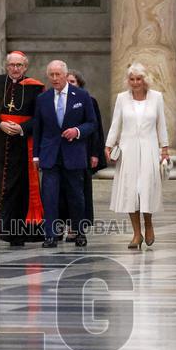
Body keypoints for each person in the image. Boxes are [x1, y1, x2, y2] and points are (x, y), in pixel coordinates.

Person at [0, 51, 46, 245]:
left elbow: (40, 118)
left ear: (26, 67)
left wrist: (22, 128)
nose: (15, 69)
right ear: (6, 66)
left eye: (19, 65)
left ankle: (14, 233)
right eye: (12, 65)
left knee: (18, 189)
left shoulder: (35, 88)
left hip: (21, 145)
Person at [32, 60, 97, 248]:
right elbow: (38, 129)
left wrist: (77, 131)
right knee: (50, 196)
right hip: (50, 155)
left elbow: (92, 123)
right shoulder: (42, 99)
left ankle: (79, 232)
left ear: (65, 74)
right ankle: (50, 235)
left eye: (57, 74)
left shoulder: (82, 96)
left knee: (76, 195)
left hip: (74, 154)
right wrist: (36, 155)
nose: (54, 78)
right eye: (51, 75)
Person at [105, 63, 169, 249]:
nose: (135, 82)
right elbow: (116, 123)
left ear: (144, 79)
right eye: (132, 79)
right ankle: (136, 233)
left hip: (149, 149)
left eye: (138, 79)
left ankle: (149, 225)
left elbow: (161, 124)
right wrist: (108, 145)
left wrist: (164, 148)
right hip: (128, 149)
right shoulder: (122, 98)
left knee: (145, 188)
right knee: (131, 190)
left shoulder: (156, 97)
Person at [61, 69, 106, 243]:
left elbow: (95, 129)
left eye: (73, 82)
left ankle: (76, 227)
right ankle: (60, 226)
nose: (69, 84)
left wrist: (95, 153)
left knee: (80, 191)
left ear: (79, 84)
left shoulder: (88, 100)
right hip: (62, 153)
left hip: (82, 152)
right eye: (68, 81)